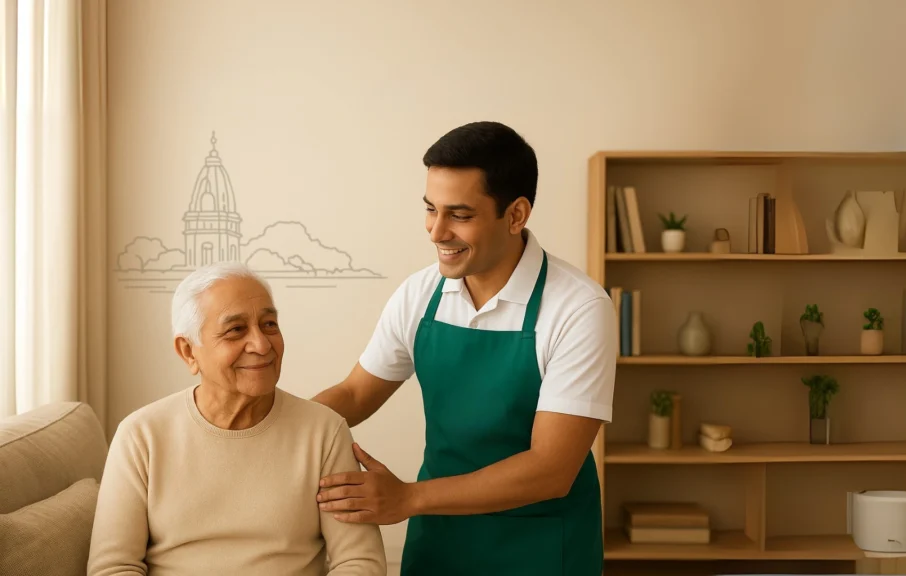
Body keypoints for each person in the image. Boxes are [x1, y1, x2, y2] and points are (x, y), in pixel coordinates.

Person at [312, 121, 618, 575]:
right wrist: (272, 428)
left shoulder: (579, 308)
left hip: (540, 548)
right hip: (440, 541)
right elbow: (356, 394)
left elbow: (551, 469)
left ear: (515, 215)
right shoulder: (419, 295)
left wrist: (408, 498)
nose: (436, 232)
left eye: (459, 214)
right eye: (430, 209)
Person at [88, 262, 387, 576]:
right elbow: (113, 567)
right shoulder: (141, 436)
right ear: (188, 351)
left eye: (269, 324)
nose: (261, 345)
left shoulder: (325, 432)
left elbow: (358, 563)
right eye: (236, 330)